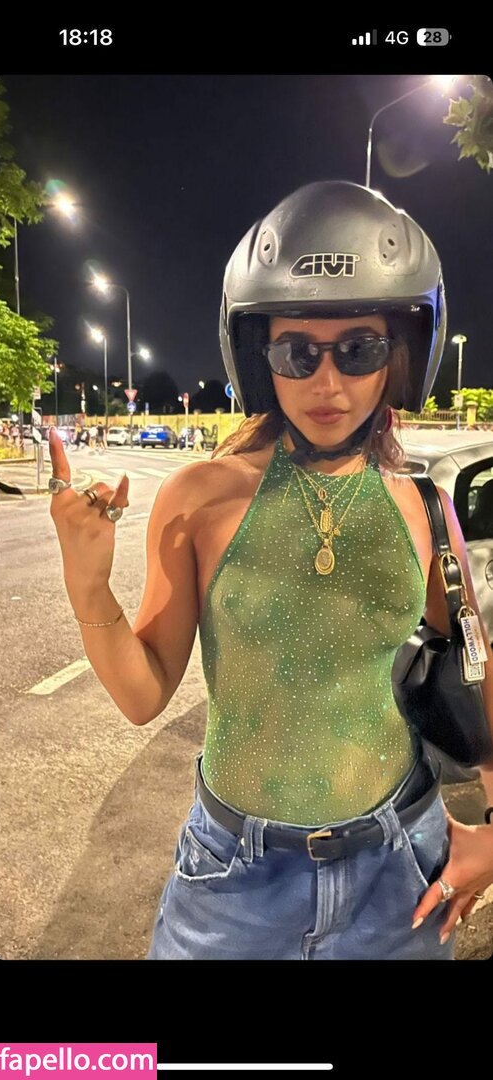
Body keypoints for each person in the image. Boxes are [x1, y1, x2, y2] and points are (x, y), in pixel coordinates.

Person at [48, 181, 493, 960]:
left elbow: (478, 674)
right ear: (259, 356)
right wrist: (87, 582)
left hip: (399, 869)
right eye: (297, 353)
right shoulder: (199, 498)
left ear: (398, 355)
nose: (328, 383)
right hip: (232, 883)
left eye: (358, 350)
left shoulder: (422, 505)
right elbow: (143, 694)